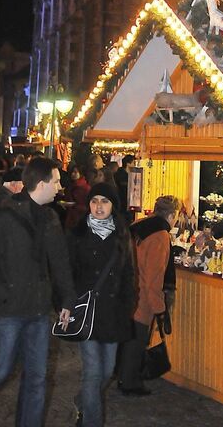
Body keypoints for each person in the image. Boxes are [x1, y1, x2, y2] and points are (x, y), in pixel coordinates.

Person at [0, 157, 75, 427]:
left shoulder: (51, 218)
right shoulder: (7, 215)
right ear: (42, 183)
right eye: (56, 181)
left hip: (37, 311)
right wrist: (3, 292)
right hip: (8, 310)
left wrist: (67, 299)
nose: (60, 187)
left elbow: (60, 262)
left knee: (36, 378)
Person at [67, 182, 135, 427]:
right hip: (87, 312)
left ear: (112, 206)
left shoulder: (122, 234)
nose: (98, 206)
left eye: (104, 201)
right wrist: (66, 304)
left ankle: (82, 400)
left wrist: (128, 305)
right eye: (95, 201)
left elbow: (129, 273)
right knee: (93, 372)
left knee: (106, 372)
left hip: (113, 314)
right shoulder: (77, 234)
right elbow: (66, 273)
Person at [118, 194, 179, 396]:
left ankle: (123, 378)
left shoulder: (140, 225)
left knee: (128, 340)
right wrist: (159, 308)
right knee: (137, 342)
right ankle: (130, 382)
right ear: (172, 215)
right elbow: (155, 276)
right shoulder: (160, 236)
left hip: (128, 291)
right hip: (142, 298)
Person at [62, 164, 90, 230]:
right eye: (72, 172)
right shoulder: (72, 185)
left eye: (75, 172)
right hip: (71, 216)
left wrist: (71, 205)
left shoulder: (84, 188)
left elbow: (85, 205)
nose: (73, 174)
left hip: (79, 219)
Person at [114, 154, 135, 223]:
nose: (134, 165)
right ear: (128, 164)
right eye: (133, 163)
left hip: (128, 204)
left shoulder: (130, 175)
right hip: (122, 204)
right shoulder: (121, 175)